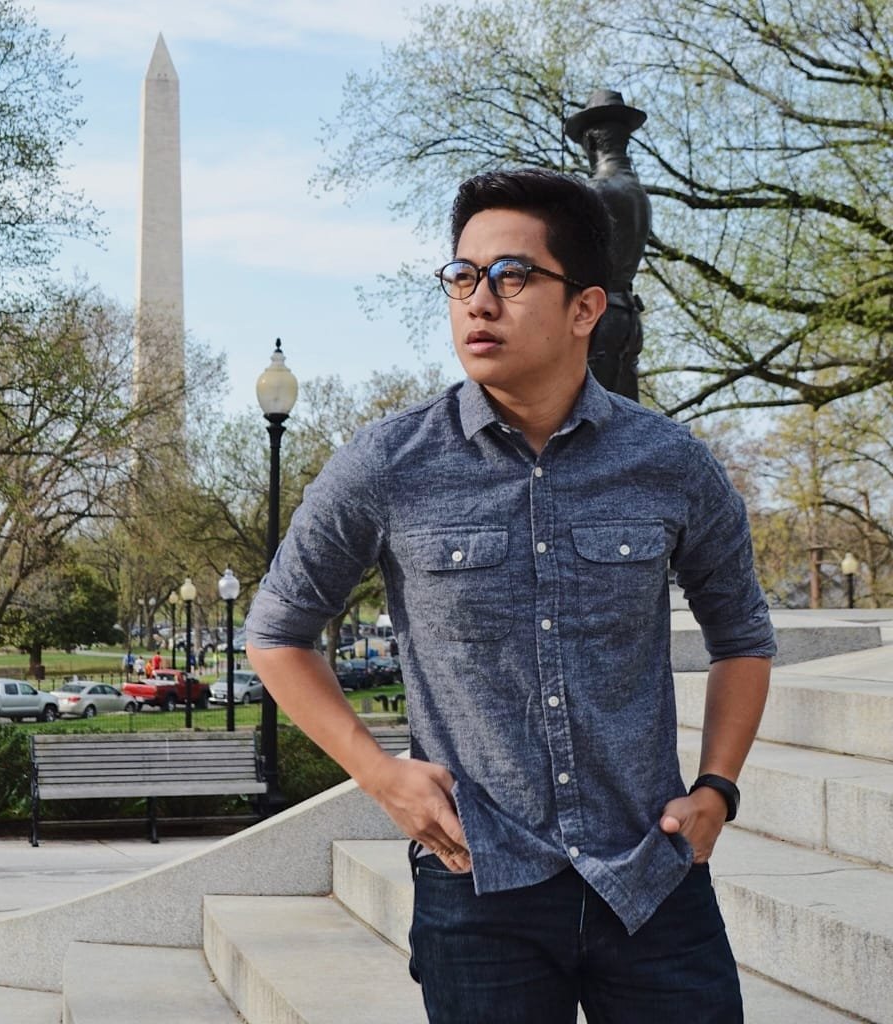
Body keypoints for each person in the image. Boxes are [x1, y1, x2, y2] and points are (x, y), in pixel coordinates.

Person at [246, 168, 775, 1023]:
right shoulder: (388, 464)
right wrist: (381, 776)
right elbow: (277, 631)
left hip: (652, 874)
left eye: (512, 276)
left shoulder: (672, 463)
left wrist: (718, 789)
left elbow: (742, 637)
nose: (479, 301)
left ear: (586, 309)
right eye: (462, 276)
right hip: (478, 882)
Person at [565, 89, 652, 402]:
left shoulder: (595, 191)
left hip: (597, 323)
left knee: (589, 426)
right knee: (625, 427)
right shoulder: (638, 193)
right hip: (628, 319)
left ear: (590, 143)